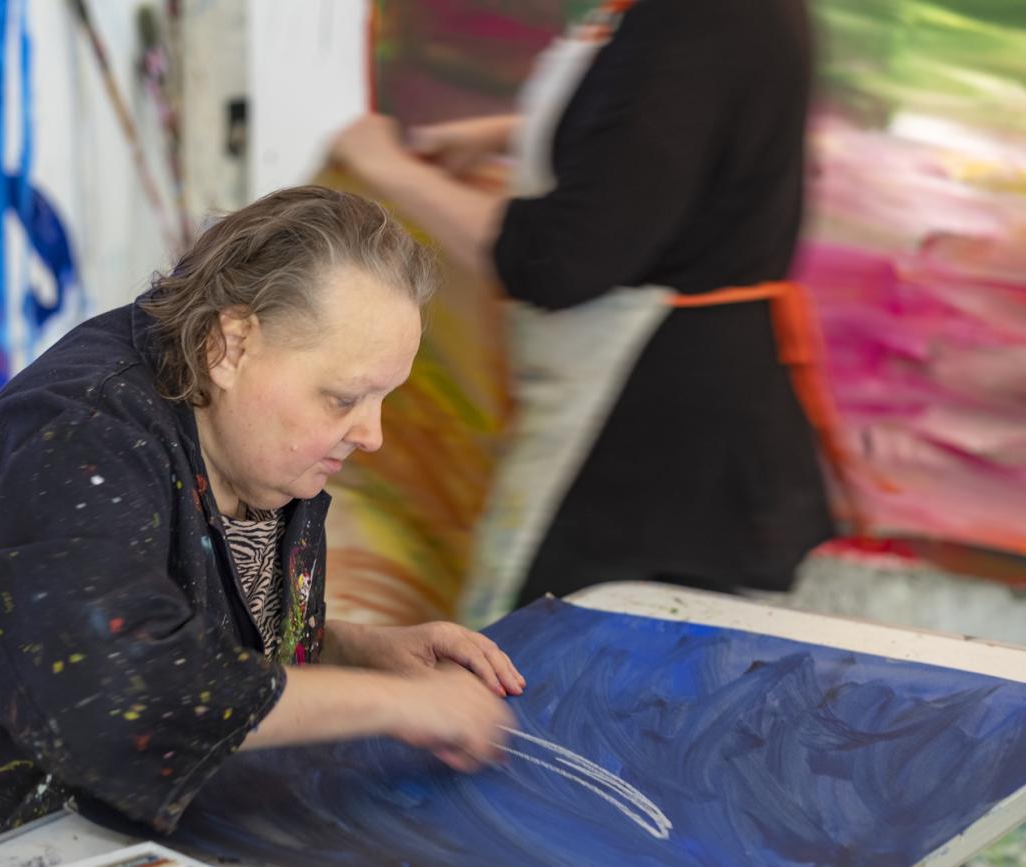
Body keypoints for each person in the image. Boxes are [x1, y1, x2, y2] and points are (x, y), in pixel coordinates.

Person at [0, 186, 524, 866]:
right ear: (231, 344)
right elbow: (127, 690)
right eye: (344, 397)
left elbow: (187, 633)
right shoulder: (82, 435)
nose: (370, 433)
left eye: (382, 398)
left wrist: (354, 649)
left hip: (137, 822)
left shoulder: (264, 442)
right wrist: (398, 704)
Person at [331, 0, 837, 625]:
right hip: (674, 416)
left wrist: (389, 170)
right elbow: (658, 128)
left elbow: (559, 260)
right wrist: (507, 133)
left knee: (550, 682)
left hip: (652, 441)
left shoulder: (702, 17)